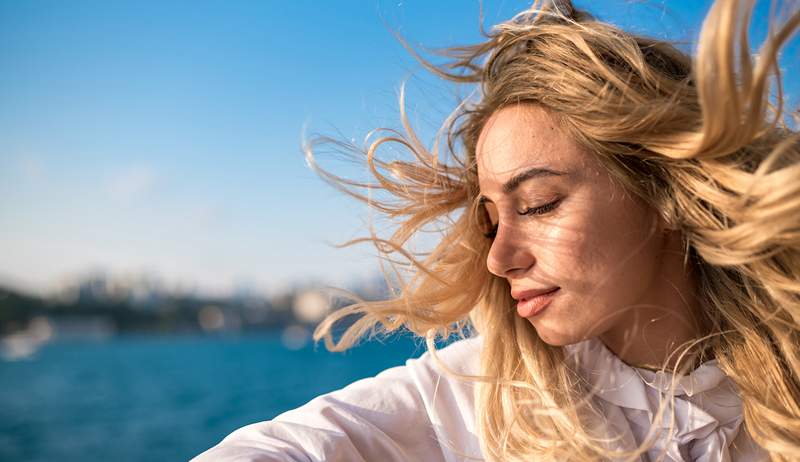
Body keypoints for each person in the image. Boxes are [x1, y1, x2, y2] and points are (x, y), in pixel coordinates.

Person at [193, 0, 800, 460]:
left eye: (536, 204)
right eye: (489, 221)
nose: (499, 257)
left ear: (662, 188)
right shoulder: (472, 393)